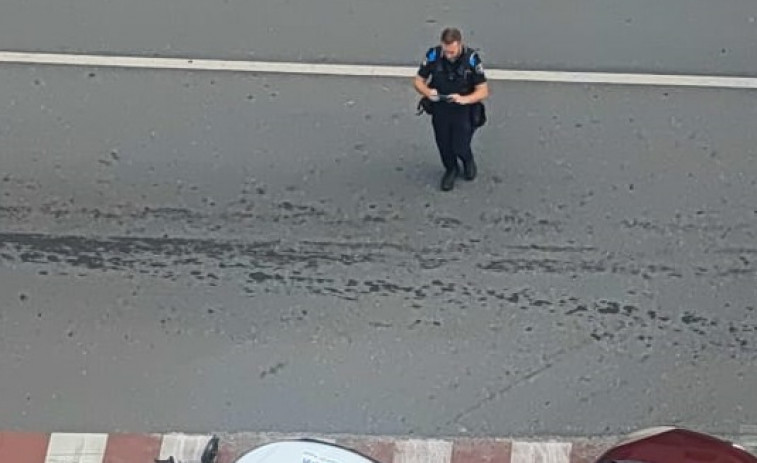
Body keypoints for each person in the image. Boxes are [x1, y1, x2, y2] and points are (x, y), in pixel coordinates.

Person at [414, 27, 490, 191]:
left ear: (460, 45)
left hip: (463, 110)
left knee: (460, 145)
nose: (449, 55)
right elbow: (418, 81)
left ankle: (467, 160)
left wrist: (464, 99)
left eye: (452, 52)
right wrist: (428, 92)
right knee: (444, 144)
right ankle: (451, 169)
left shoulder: (471, 59)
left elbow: (483, 90)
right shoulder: (433, 55)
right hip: (441, 108)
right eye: (446, 51)